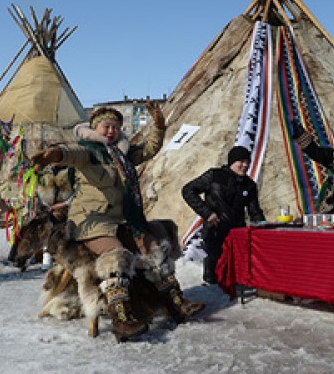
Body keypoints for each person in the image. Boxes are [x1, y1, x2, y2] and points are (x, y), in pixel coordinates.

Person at [31, 103, 204, 341]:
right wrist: (55, 155)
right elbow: (70, 155)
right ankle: (121, 318)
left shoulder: (122, 153)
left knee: (154, 247)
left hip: (123, 218)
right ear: (95, 127)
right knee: (116, 255)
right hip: (92, 220)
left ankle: (176, 303)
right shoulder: (88, 152)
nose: (111, 131)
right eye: (106, 126)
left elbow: (149, 149)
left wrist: (159, 126)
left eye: (115, 127)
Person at [181, 146, 265, 285]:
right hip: (215, 231)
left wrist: (263, 229)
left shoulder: (249, 185)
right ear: (232, 162)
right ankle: (212, 290)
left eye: (247, 162)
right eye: (241, 161)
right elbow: (188, 190)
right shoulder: (215, 176)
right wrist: (207, 213)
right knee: (214, 273)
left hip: (237, 234)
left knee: (234, 276)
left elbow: (255, 211)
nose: (245, 165)